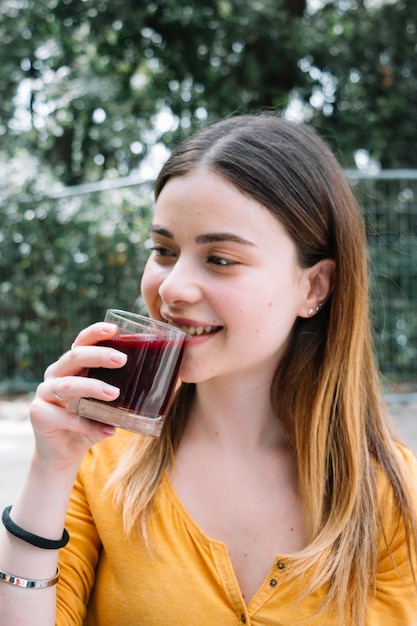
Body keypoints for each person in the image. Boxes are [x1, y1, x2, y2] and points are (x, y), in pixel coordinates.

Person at [0, 114, 416, 625]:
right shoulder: (100, 458)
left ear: (314, 288)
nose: (172, 288)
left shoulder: (391, 494)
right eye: (164, 250)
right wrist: (51, 468)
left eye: (220, 258)